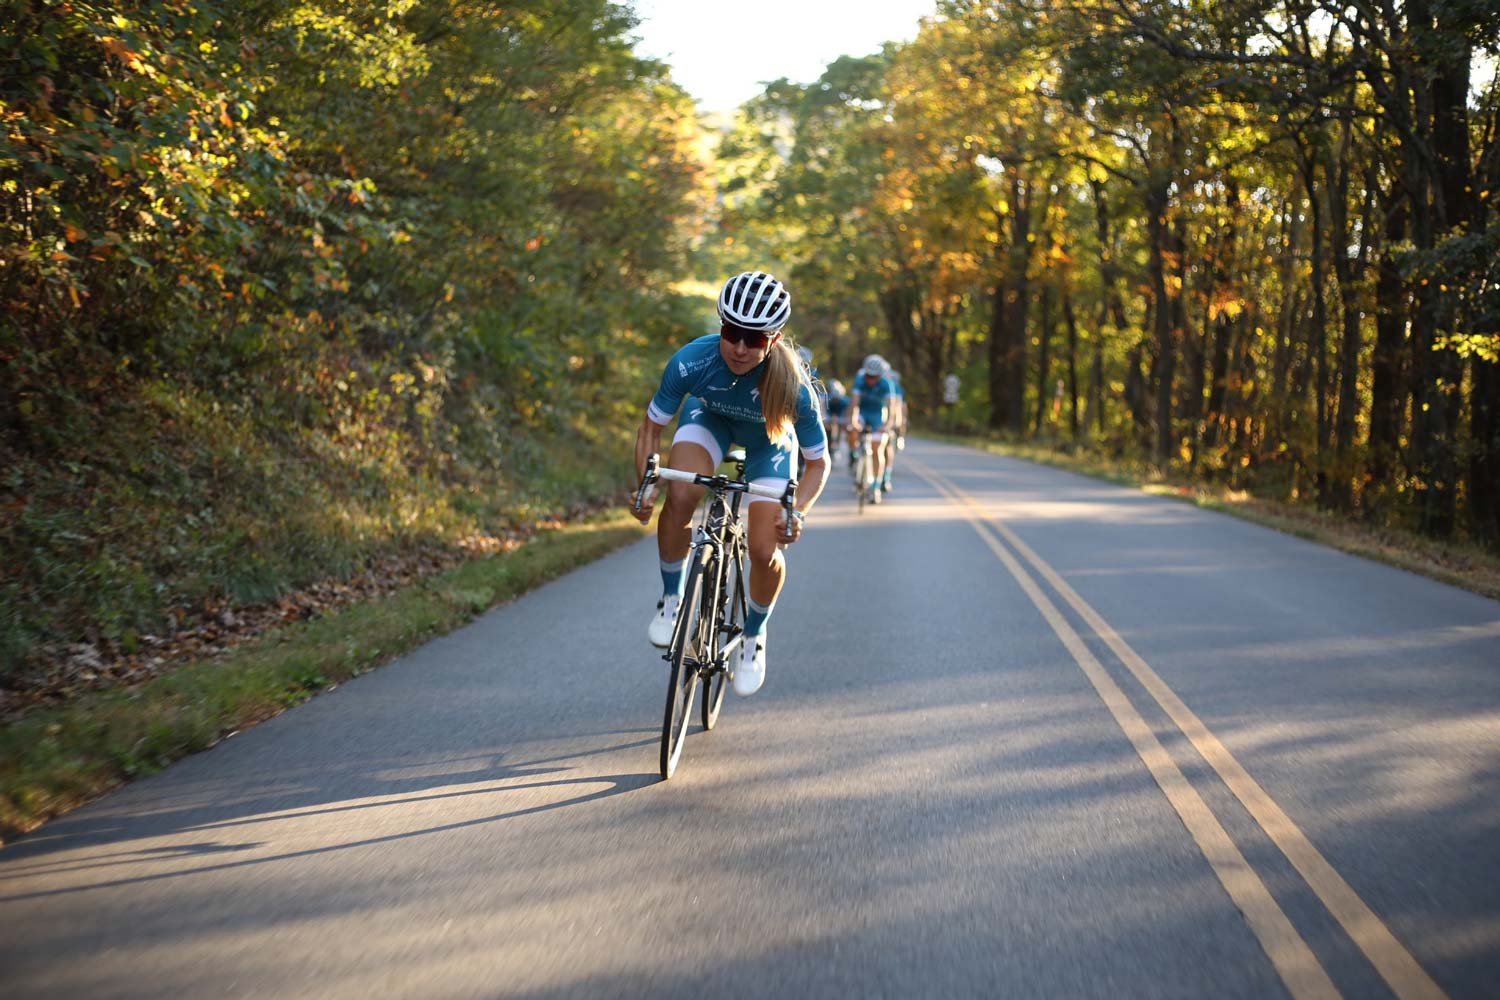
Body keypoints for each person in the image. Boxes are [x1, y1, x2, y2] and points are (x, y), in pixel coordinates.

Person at [632, 271, 830, 696]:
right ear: (720, 325)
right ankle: (671, 599)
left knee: (764, 547)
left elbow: (818, 463)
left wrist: (797, 513)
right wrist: (646, 482)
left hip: (770, 443)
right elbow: (651, 427)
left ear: (773, 340)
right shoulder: (692, 360)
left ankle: (754, 635)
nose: (740, 347)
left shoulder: (793, 387)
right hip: (709, 422)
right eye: (732, 332)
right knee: (681, 492)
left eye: (754, 339)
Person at [847, 354, 896, 504]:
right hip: (863, 413)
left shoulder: (886, 384)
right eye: (869, 376)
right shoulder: (860, 381)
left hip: (878, 416)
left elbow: (891, 408)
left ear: (880, 375)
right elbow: (854, 405)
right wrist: (853, 421)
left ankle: (875, 486)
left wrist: (887, 426)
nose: (871, 379)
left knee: (877, 449)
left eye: (875, 377)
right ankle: (854, 453)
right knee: (853, 430)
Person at [882, 369, 908, 493]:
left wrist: (898, 422)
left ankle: (886, 476)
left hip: (890, 415)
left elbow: (900, 407)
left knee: (888, 446)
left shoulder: (897, 388)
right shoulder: (877, 384)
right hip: (877, 415)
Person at [823, 378, 849, 462]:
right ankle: (830, 442)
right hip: (830, 413)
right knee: (827, 426)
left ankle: (837, 442)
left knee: (841, 426)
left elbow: (846, 412)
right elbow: (824, 411)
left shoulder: (845, 401)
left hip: (840, 413)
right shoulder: (827, 398)